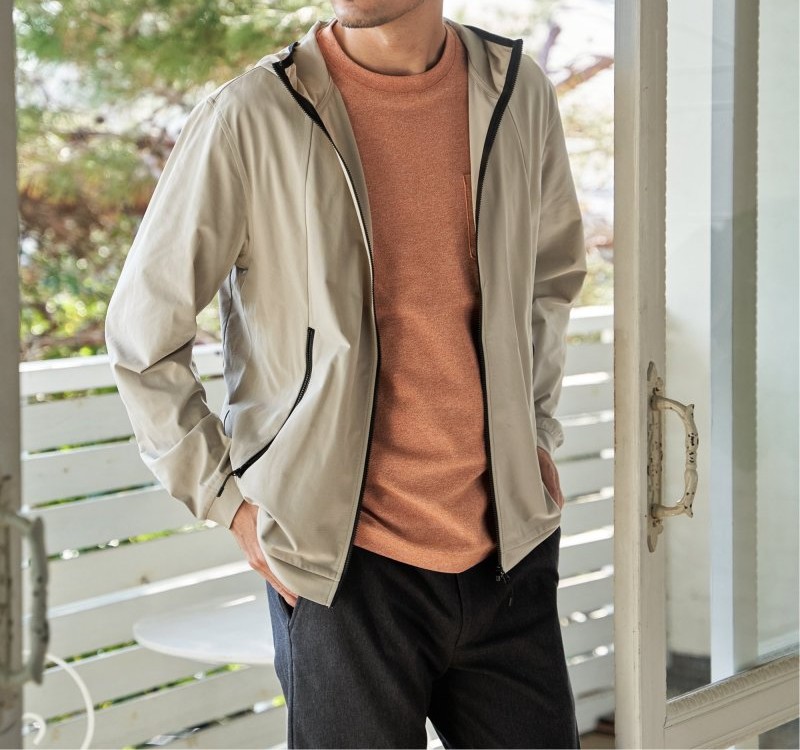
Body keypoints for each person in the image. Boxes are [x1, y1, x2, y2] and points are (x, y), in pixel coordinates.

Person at [105, 0, 587, 746]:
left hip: (508, 553)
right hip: (344, 570)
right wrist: (228, 503)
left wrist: (537, 433)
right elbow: (143, 335)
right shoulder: (252, 116)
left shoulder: (515, 91)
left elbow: (548, 282)